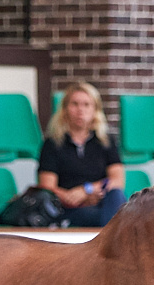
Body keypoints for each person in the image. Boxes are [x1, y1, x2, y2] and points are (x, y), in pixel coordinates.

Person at [37, 82, 126, 228]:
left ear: (95, 110)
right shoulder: (52, 143)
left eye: (86, 105)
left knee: (116, 194)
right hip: (69, 207)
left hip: (99, 202)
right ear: (65, 109)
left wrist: (86, 190)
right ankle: (114, 241)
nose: (80, 110)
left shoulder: (105, 141)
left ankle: (111, 237)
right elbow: (47, 187)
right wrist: (73, 197)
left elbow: (117, 180)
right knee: (110, 218)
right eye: (75, 104)